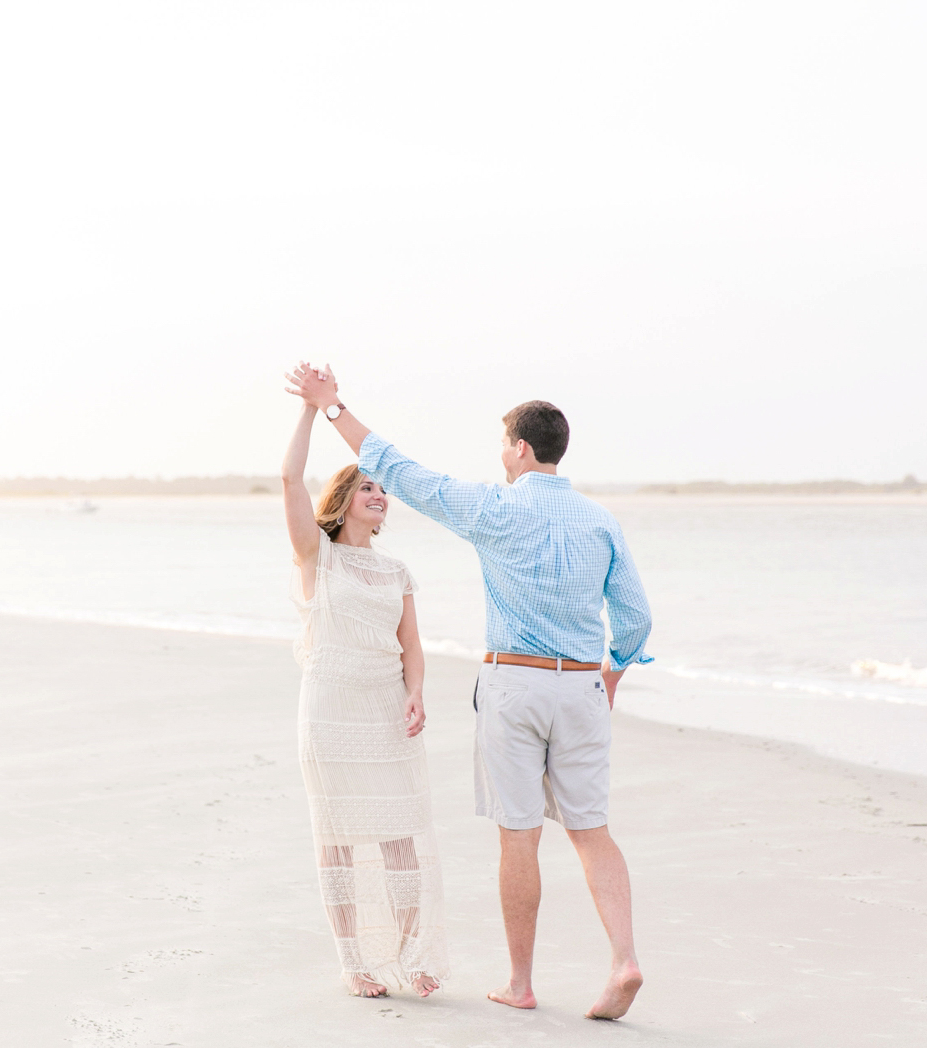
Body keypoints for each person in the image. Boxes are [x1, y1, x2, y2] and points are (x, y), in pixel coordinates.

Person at [285, 362, 652, 1020]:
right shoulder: (600, 522)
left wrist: (333, 409)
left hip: (515, 682)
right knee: (592, 831)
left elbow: (401, 471)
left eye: (502, 445)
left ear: (518, 448)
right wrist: (612, 676)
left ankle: (521, 983)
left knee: (519, 836)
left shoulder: (493, 508)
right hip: (582, 689)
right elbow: (634, 620)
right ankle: (623, 958)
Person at [279, 376, 449, 999]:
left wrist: (416, 692)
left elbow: (412, 646)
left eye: (382, 488)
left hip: (385, 708)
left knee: (400, 834)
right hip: (328, 709)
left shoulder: (396, 569)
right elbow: (289, 480)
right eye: (367, 487)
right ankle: (354, 962)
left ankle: (411, 954)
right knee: (339, 837)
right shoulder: (314, 558)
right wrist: (309, 410)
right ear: (345, 499)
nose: (379, 494)